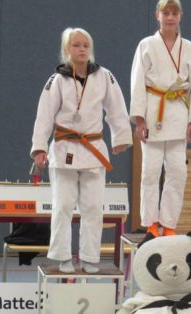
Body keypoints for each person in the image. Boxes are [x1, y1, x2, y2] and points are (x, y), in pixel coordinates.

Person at [30, 27, 132, 273]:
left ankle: (89, 257)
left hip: (93, 149)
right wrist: (39, 148)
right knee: (63, 206)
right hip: (64, 149)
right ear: (67, 49)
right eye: (76, 45)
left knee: (93, 207)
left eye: (86, 45)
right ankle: (62, 256)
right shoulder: (57, 80)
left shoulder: (104, 76)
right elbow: (44, 116)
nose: (82, 49)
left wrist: (120, 138)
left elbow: (116, 107)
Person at [130, 0, 191, 237]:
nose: (170, 17)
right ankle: (152, 224)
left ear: (180, 17)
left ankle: (169, 223)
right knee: (150, 172)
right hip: (154, 111)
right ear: (157, 16)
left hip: (178, 114)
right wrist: (139, 119)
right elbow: (137, 83)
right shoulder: (146, 45)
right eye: (166, 13)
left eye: (174, 13)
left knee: (177, 173)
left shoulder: (190, 48)